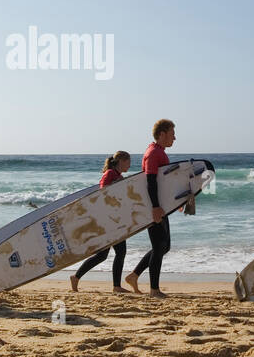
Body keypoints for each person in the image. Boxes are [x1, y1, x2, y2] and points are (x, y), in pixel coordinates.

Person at [127, 119, 176, 298]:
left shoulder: (159, 152)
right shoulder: (153, 153)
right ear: (162, 134)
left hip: (161, 206)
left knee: (165, 246)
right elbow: (150, 181)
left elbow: (164, 183)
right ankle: (154, 289)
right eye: (172, 134)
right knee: (159, 246)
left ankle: (134, 275)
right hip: (152, 207)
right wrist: (155, 207)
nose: (174, 138)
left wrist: (173, 203)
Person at [70, 151, 131, 292]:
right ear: (121, 160)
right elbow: (102, 195)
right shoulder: (110, 174)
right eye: (128, 161)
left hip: (114, 220)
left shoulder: (118, 176)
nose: (129, 164)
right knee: (118, 252)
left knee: (104, 255)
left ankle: (76, 277)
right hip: (108, 221)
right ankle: (116, 286)